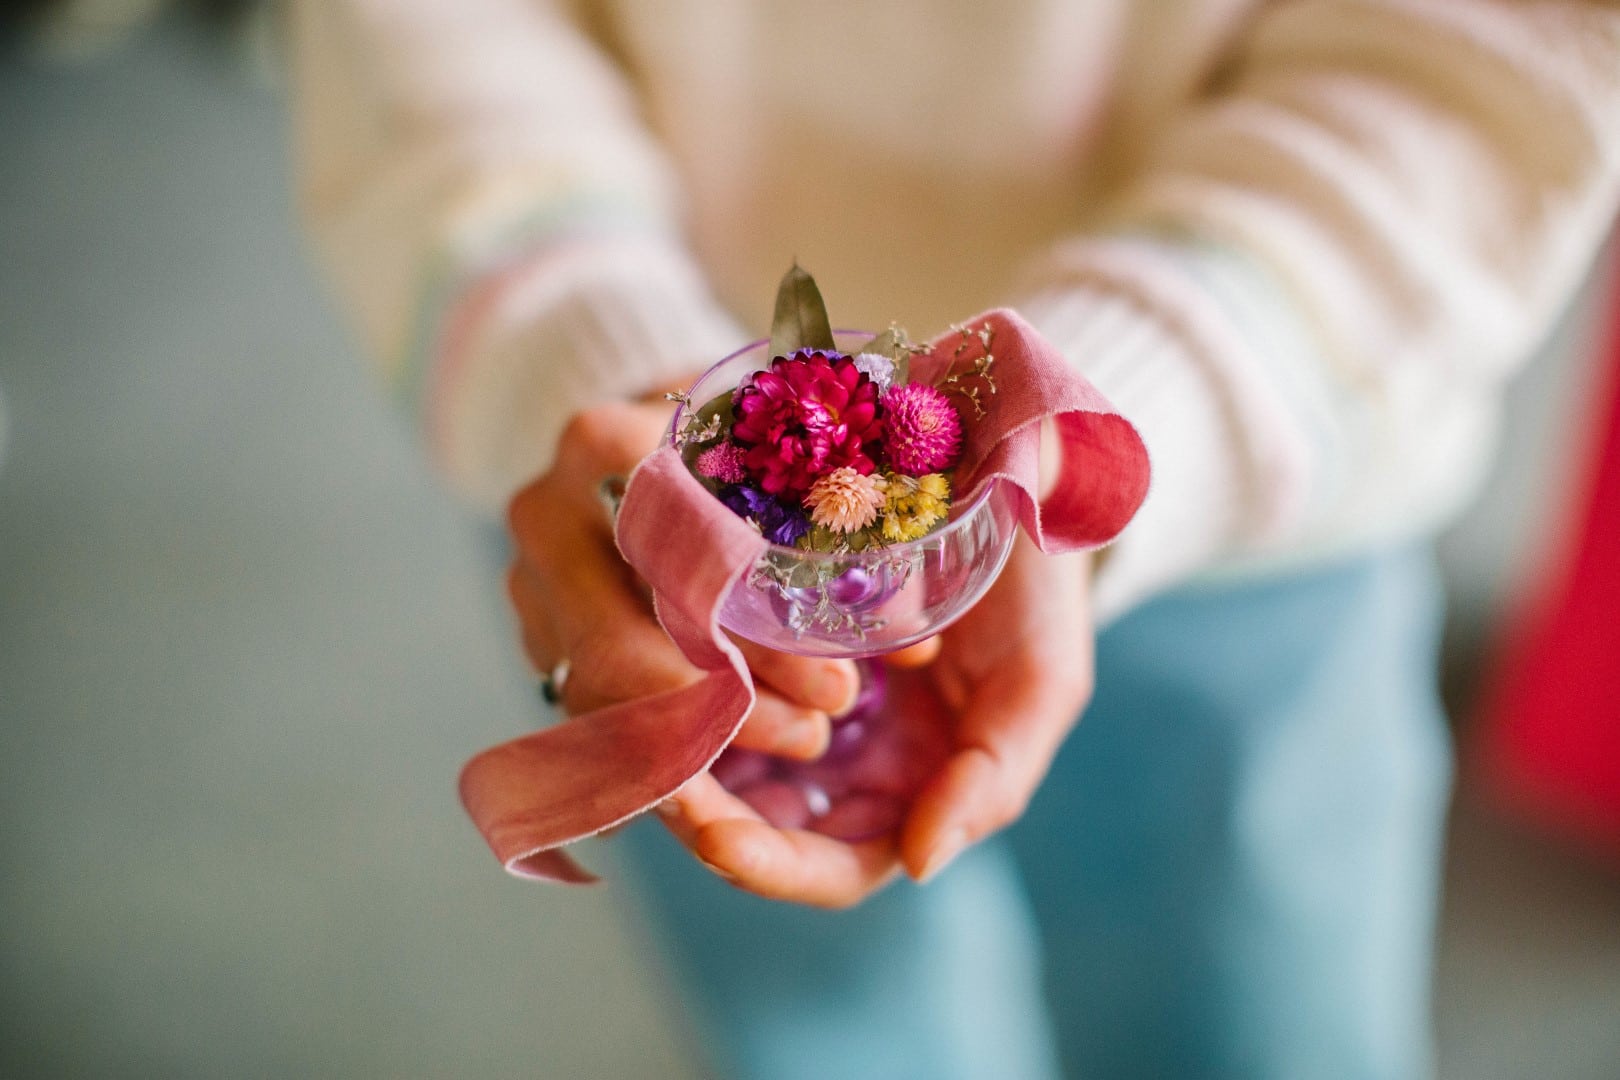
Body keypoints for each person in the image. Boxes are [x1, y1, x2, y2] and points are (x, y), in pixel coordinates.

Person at [290, 2, 1620, 1076]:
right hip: (660, 515)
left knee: (1251, 993)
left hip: (1258, 478)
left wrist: (1125, 399)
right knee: (820, 1010)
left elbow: (1499, 60)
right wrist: (594, 345)